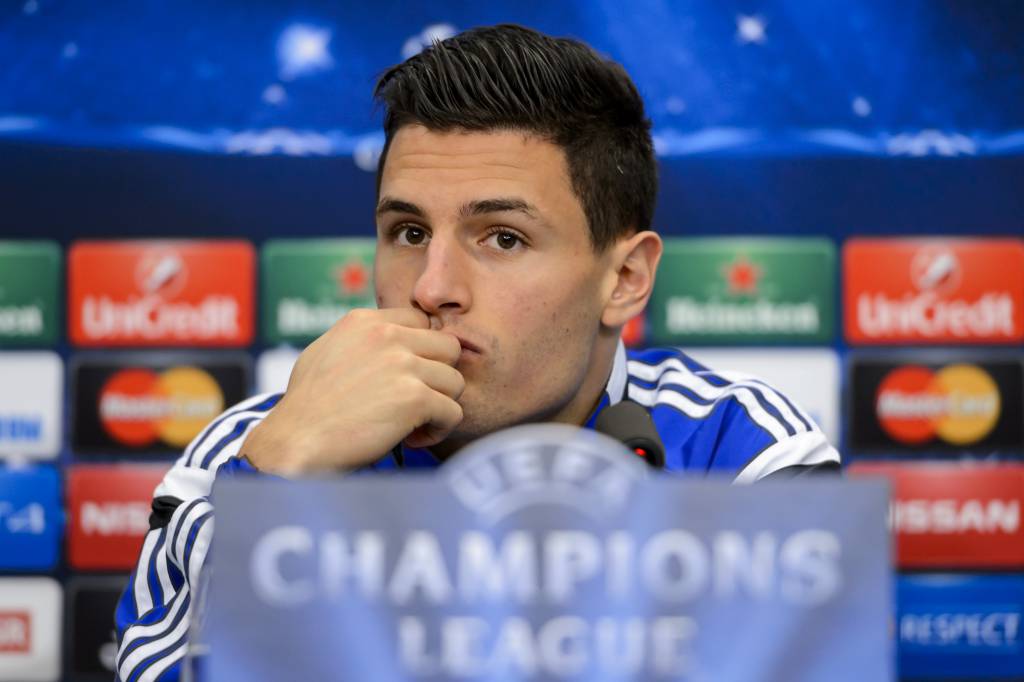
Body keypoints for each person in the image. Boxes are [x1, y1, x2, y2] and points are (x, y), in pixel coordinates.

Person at [113, 24, 840, 681]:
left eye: (503, 238)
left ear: (623, 279)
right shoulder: (257, 448)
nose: (432, 288)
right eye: (409, 233)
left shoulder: (741, 455)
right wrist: (275, 484)